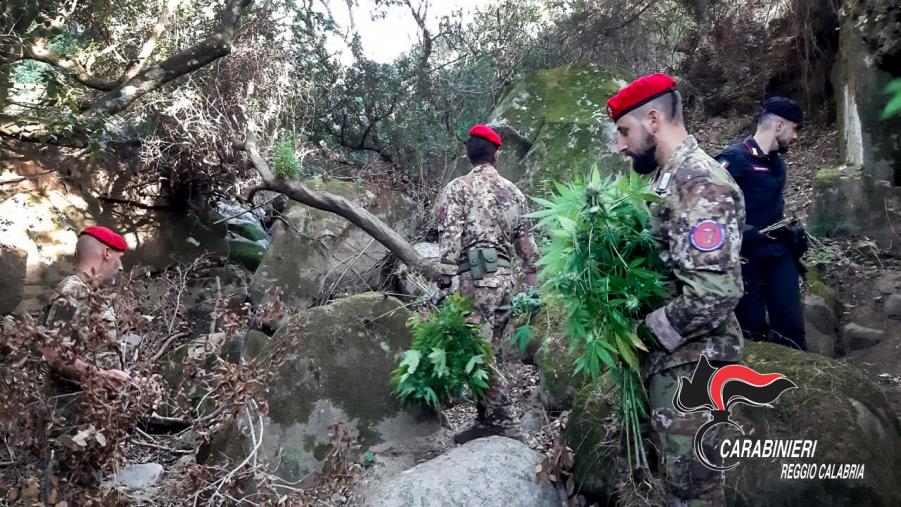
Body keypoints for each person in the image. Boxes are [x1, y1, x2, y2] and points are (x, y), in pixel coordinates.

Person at [608, 73, 745, 506]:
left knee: (695, 488)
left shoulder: (699, 183)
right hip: (677, 362)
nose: (621, 145)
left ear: (653, 120)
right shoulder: (666, 181)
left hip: (696, 366)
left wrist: (644, 332)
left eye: (624, 132)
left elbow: (714, 292)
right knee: (678, 481)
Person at [435, 124, 540, 445]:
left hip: (476, 281)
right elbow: (528, 247)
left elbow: (450, 236)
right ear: (497, 154)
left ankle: (507, 421)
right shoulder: (514, 192)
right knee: (489, 349)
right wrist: (531, 285)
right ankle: (486, 419)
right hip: (506, 281)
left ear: (469, 154)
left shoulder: (458, 188)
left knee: (476, 352)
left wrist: (444, 277)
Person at [715, 97, 807, 350]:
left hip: (778, 256)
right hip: (745, 262)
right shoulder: (733, 160)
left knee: (791, 327)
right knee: (750, 331)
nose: (795, 136)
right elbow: (711, 212)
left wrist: (791, 233)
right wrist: (745, 233)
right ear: (778, 126)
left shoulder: (776, 162)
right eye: (794, 128)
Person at [43, 225, 132, 383]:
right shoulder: (72, 292)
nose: (121, 267)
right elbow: (53, 353)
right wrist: (101, 376)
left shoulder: (90, 292)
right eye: (120, 258)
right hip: (73, 402)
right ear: (107, 254)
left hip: (96, 400)